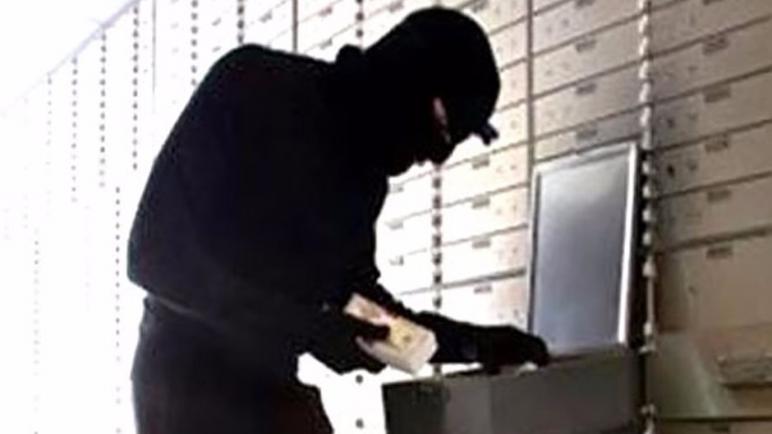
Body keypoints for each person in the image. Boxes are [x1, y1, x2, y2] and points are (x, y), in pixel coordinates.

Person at [127, 7, 549, 434]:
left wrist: (469, 343)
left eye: (454, 140)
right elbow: (152, 256)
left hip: (271, 380)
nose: (436, 156)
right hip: (185, 382)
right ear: (404, 72)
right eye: (441, 124)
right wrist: (309, 328)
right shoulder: (253, 84)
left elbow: (359, 307)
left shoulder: (364, 179)